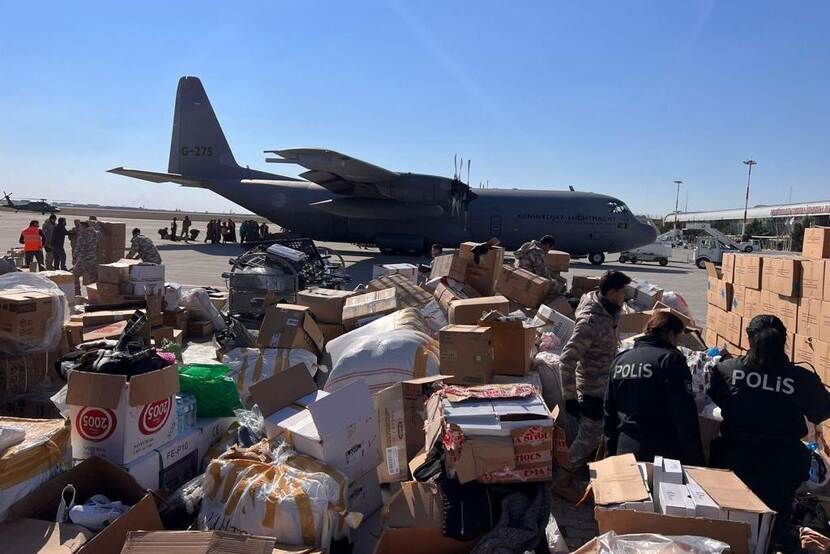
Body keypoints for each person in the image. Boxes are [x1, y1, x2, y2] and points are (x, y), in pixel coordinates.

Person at [707, 315, 830, 551]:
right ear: (784, 342)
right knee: (775, 526)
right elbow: (822, 410)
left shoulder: (728, 369)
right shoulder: (801, 379)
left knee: (733, 525)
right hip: (781, 465)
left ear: (749, 340)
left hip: (736, 460)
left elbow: (716, 397)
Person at [554, 270, 631, 502]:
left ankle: (585, 476)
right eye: (623, 293)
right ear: (612, 292)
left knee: (600, 436)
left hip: (605, 385)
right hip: (592, 389)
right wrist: (570, 398)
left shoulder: (607, 308)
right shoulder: (592, 321)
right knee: (587, 439)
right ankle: (561, 481)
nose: (625, 298)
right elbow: (567, 359)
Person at [604, 311, 703, 465]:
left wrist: (611, 451)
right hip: (661, 454)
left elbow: (609, 411)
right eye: (678, 337)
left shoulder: (621, 360)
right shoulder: (670, 360)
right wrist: (695, 460)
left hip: (625, 449)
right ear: (670, 334)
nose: (677, 343)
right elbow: (684, 413)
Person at [72, 220, 99, 293]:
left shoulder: (83, 234)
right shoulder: (94, 233)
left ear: (83, 226)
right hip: (92, 257)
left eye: (80, 226)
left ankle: (77, 292)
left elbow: (78, 247)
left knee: (75, 274)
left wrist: (74, 257)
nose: (80, 228)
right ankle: (95, 293)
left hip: (83, 258)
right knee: (93, 277)